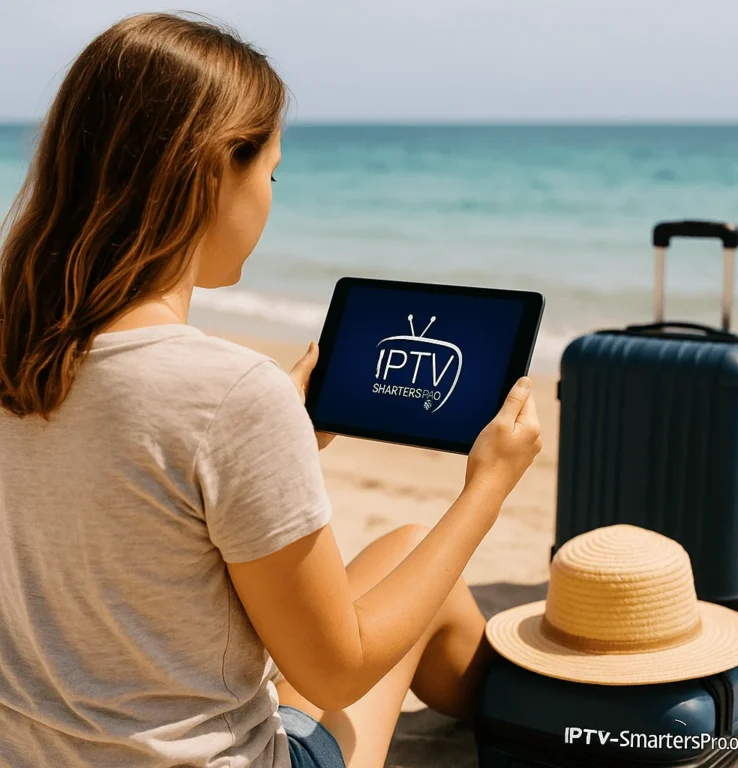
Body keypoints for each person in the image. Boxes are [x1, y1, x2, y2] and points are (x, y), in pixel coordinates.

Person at [0, 12, 542, 768]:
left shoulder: (21, 351)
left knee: (408, 549)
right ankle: (534, 718)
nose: (271, 195)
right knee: (421, 559)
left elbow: (128, 505)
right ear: (215, 171)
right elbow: (338, 671)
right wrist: (487, 487)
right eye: (271, 172)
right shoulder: (228, 394)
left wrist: (274, 439)